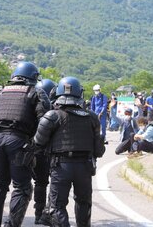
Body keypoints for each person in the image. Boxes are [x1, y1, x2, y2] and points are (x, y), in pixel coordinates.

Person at [33, 76, 105, 226]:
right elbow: (99, 150)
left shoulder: (52, 115)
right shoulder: (91, 117)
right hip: (84, 167)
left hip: (60, 167)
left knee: (57, 206)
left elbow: (38, 142)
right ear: (79, 93)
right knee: (84, 203)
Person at [0, 61, 51, 226]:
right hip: (18, 141)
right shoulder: (35, 92)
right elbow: (45, 121)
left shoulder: (1, 92)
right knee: (22, 187)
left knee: (0, 183)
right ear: (33, 77)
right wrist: (36, 145)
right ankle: (11, 225)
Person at [33, 78, 57, 224]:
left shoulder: (32, 104)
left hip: (37, 149)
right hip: (52, 150)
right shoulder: (58, 107)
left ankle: (38, 214)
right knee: (54, 183)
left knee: (40, 183)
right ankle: (48, 213)